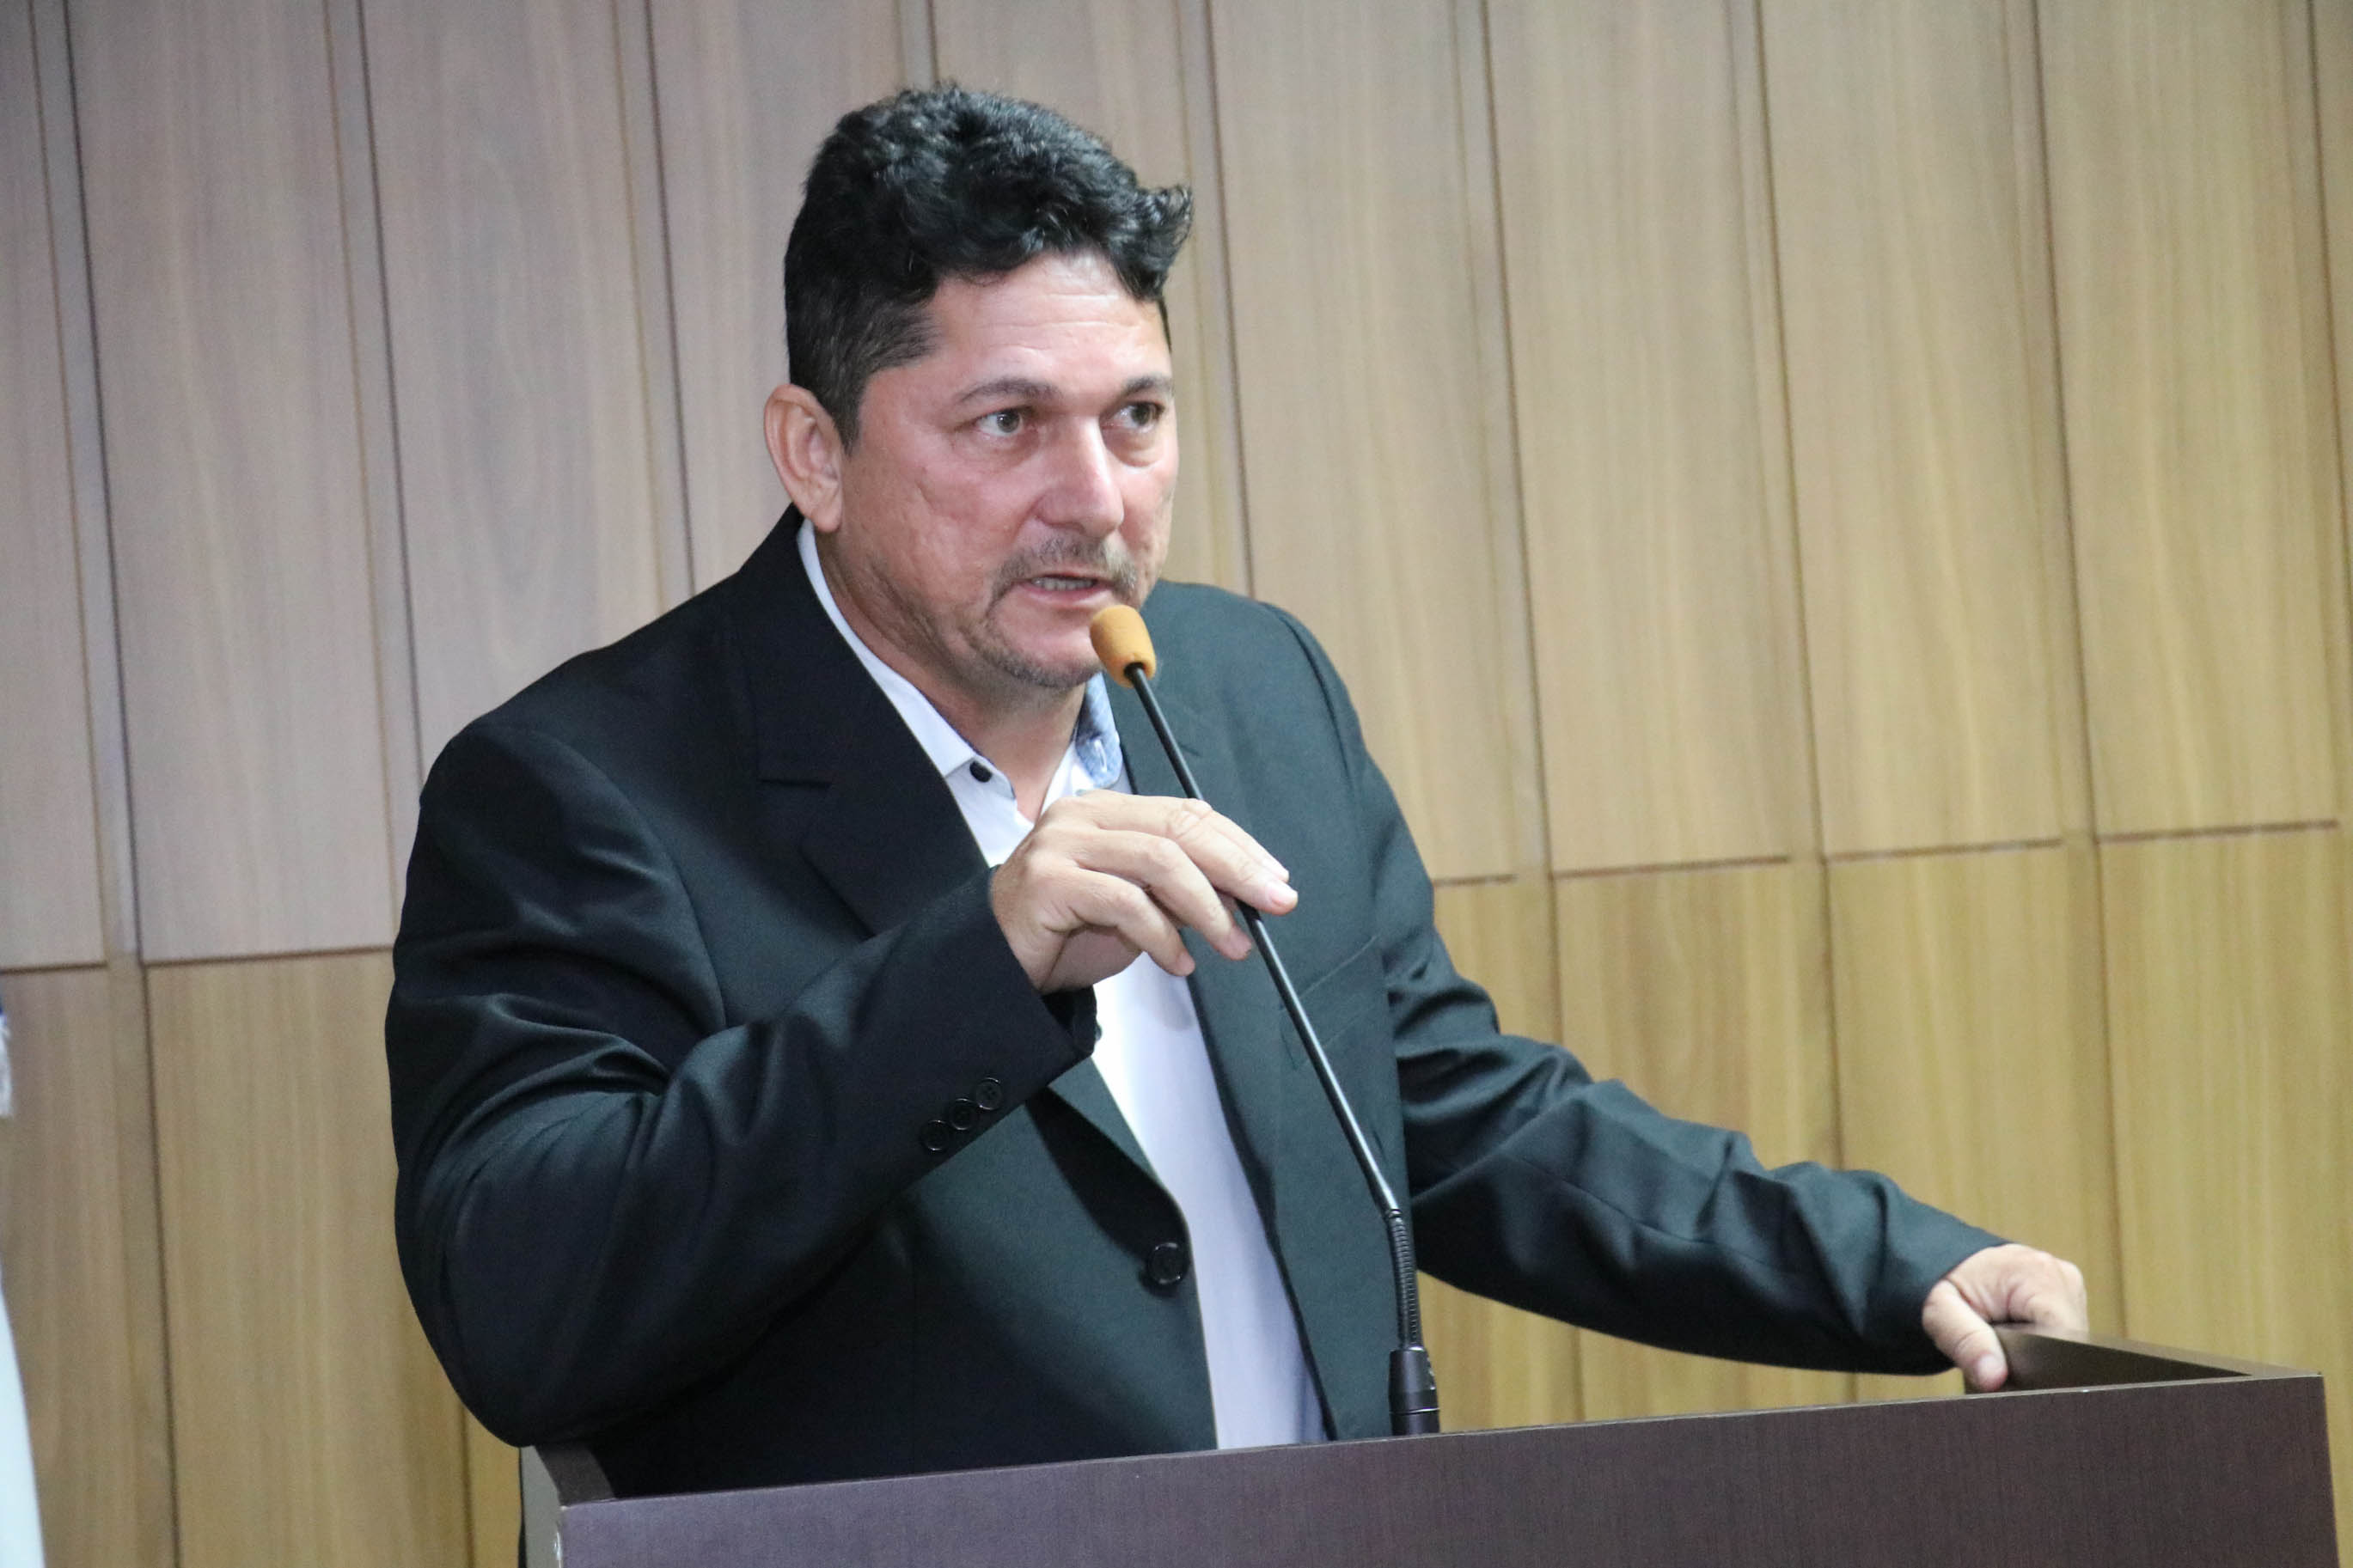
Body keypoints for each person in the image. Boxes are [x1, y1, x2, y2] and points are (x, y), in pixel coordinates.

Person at [386, 85, 2085, 1498]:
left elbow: (1448, 1115)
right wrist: (975, 965)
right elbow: (528, 1307)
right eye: (1005, 424)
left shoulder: (1246, 687)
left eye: (1136, 416)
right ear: (813, 450)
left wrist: (1882, 1267)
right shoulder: (581, 788)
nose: (1093, 498)